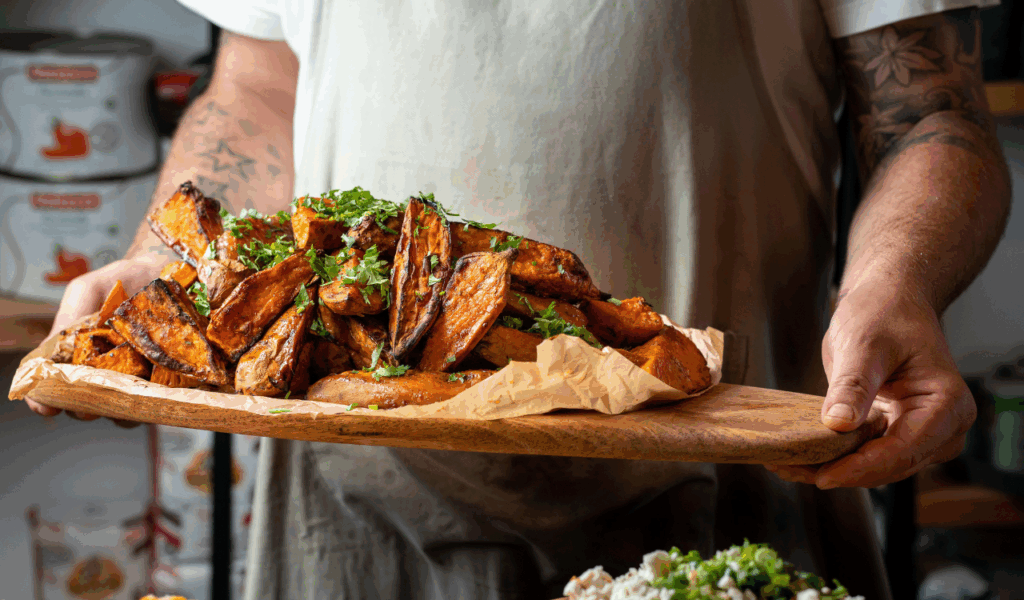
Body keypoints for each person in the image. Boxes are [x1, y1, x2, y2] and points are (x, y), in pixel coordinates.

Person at [27, 1, 1010, 598]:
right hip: (354, 498)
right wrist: (168, 268)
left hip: (714, 471)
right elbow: (254, 92)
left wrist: (894, 288)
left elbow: (927, 111)